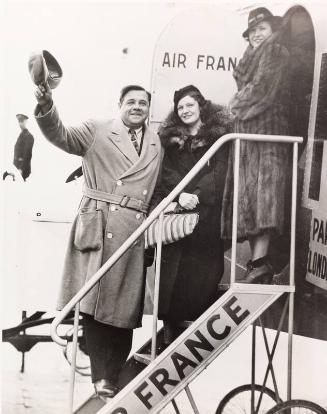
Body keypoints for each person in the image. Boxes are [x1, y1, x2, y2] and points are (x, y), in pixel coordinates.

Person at [34, 82, 161, 399]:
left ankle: (113, 373)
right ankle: (101, 376)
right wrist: (47, 105)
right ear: (119, 104)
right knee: (94, 302)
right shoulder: (97, 129)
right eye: (130, 102)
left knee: (126, 307)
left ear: (149, 109)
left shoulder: (156, 143)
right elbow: (60, 135)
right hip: (100, 220)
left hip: (133, 229)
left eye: (142, 103)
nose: (136, 107)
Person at [151, 85, 232, 345]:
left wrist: (198, 193)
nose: (185, 110)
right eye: (180, 107)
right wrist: (181, 195)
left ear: (201, 106)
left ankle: (191, 327)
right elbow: (166, 173)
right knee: (172, 275)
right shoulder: (171, 142)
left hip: (207, 212)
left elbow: (222, 170)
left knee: (205, 270)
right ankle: (169, 330)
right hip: (180, 215)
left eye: (189, 105)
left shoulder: (219, 137)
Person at [221, 7, 291, 284]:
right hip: (250, 139)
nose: (256, 34)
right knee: (250, 202)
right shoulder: (250, 58)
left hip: (267, 138)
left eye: (262, 28)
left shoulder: (275, 53)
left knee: (264, 201)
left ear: (272, 30)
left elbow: (261, 91)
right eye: (252, 31)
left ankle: (260, 262)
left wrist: (234, 105)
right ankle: (256, 263)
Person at [13, 114, 34, 181]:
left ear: (26, 121)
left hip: (22, 170)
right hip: (16, 168)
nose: (20, 123)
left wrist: (21, 169)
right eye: (19, 121)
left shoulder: (29, 136)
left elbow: (27, 155)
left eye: (22, 121)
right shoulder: (20, 136)